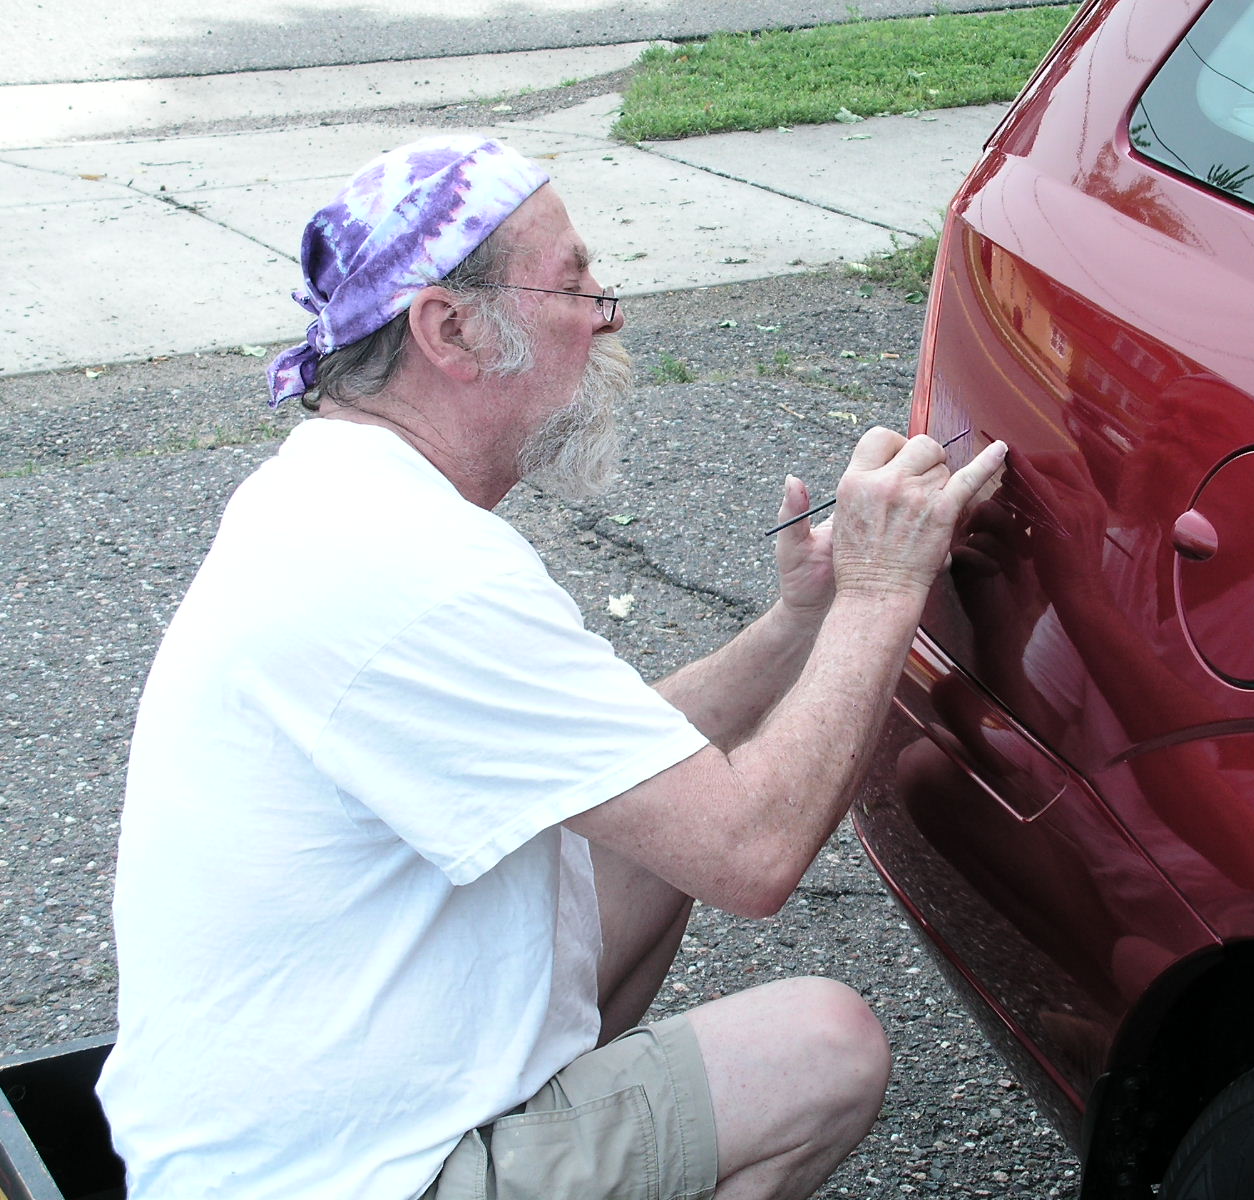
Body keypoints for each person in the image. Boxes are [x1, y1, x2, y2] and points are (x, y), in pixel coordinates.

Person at [94, 134, 1007, 1200]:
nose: (606, 313)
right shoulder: (413, 569)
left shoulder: (339, 498)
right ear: (451, 329)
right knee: (822, 1045)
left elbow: (629, 768)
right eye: (573, 283)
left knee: (647, 833)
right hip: (334, 1179)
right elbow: (752, 852)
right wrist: (884, 590)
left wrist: (799, 622)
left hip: (279, 1125)